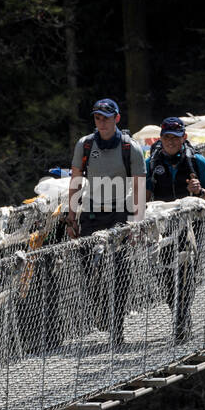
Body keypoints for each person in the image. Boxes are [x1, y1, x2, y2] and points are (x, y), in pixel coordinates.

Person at [66, 98, 146, 346]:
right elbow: (76, 181)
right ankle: (101, 310)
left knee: (120, 269)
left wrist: (137, 223)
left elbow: (139, 188)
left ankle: (117, 325)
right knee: (88, 267)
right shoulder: (85, 145)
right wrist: (71, 217)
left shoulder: (130, 148)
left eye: (107, 118)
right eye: (98, 118)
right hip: (91, 212)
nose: (102, 123)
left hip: (119, 213)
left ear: (117, 119)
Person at [145, 117, 205, 343]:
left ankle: (182, 319)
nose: (171, 142)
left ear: (184, 138)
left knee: (186, 271)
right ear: (160, 138)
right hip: (164, 227)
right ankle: (179, 314)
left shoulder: (197, 161)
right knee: (167, 274)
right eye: (166, 137)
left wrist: (200, 191)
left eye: (175, 138)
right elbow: (145, 196)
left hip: (191, 225)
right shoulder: (151, 164)